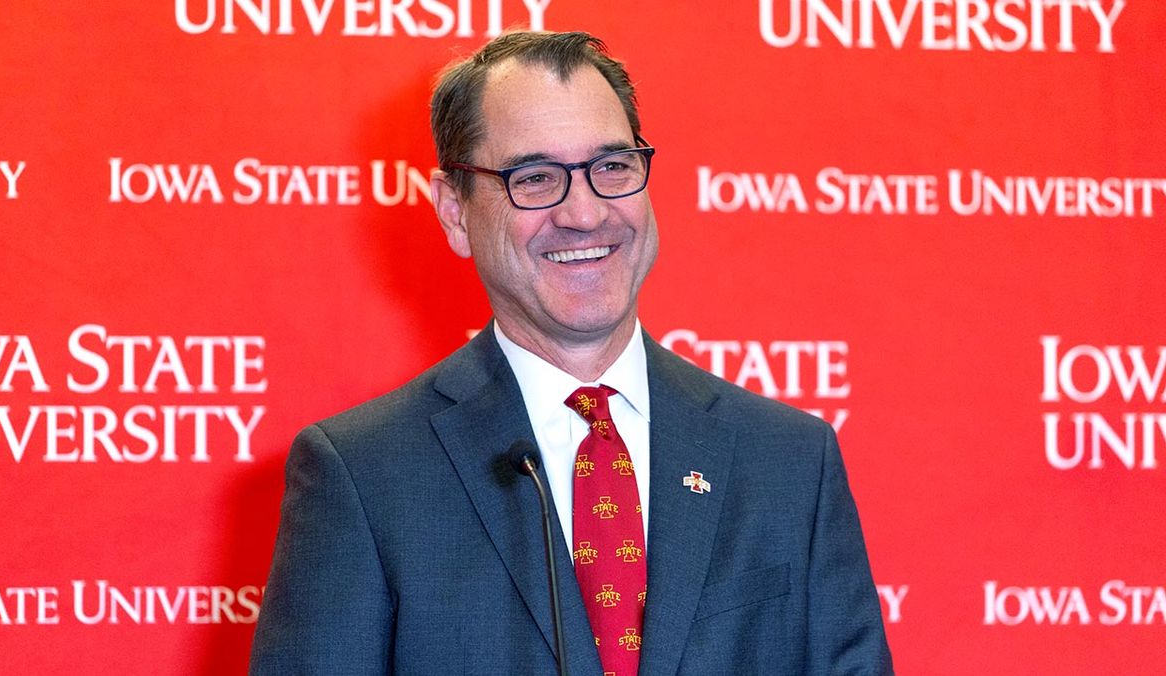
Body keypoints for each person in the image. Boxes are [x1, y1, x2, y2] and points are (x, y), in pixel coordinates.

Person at [250, 30, 892, 675]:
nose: (584, 214)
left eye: (612, 167)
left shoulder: (790, 462)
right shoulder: (363, 475)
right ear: (454, 212)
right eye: (535, 179)